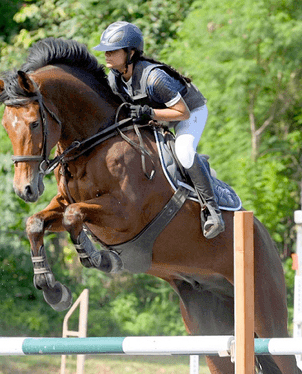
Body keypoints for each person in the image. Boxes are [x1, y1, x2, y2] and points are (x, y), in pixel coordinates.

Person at [93, 21, 224, 239]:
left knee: (183, 152)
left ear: (130, 52)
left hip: (190, 111)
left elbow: (182, 113)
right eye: (105, 51)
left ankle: (212, 211)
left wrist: (151, 114)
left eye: (112, 51)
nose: (107, 55)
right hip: (160, 114)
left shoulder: (154, 78)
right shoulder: (115, 79)